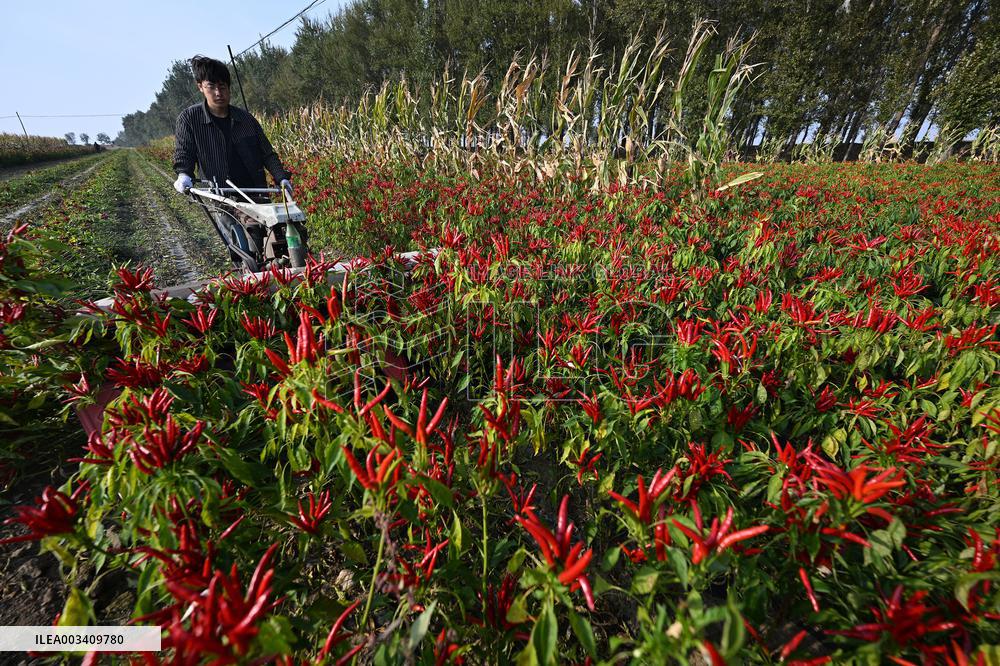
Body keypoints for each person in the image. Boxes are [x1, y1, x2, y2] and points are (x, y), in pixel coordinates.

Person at [172, 55, 292, 198]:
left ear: (229, 87)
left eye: (222, 86)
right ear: (200, 87)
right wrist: (184, 174)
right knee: (235, 221)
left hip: (256, 194)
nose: (218, 93)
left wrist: (281, 178)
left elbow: (267, 154)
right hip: (221, 198)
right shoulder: (189, 119)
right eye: (211, 86)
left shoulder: (246, 119)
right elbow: (185, 152)